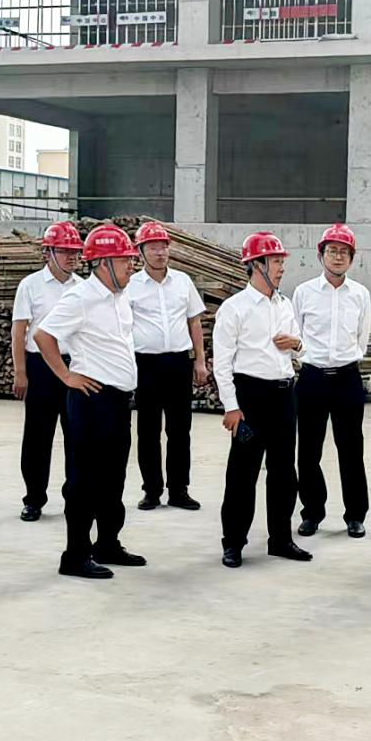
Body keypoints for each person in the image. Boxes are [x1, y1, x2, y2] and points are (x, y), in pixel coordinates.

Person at [34, 224, 146, 580]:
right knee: (84, 481)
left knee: (113, 478)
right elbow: (43, 335)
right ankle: (75, 555)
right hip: (92, 400)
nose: (132, 266)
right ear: (103, 263)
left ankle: (107, 543)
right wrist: (66, 376)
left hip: (118, 402)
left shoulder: (119, 296)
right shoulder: (80, 298)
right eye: (125, 260)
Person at [213, 231, 311, 568]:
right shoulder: (234, 308)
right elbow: (222, 363)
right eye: (276, 261)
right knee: (243, 473)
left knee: (284, 472)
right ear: (256, 265)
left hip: (284, 394)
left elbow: (303, 348)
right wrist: (231, 406)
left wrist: (296, 344)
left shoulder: (284, 304)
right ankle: (233, 542)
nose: (282, 268)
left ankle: (280, 539)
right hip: (250, 397)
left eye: (282, 261)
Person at [292, 223, 371, 539]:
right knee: (308, 451)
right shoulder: (304, 293)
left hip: (347, 378)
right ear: (321, 255)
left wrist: (346, 359)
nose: (338, 257)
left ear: (351, 258)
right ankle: (312, 512)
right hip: (312, 378)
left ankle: (355, 515)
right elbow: (296, 335)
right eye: (332, 251)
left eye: (344, 252)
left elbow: (362, 338)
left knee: (351, 450)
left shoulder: (360, 294)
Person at [128, 220, 209, 512]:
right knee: (148, 430)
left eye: (163, 246)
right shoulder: (131, 286)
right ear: (140, 252)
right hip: (145, 364)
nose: (160, 252)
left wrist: (200, 360)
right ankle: (151, 490)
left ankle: (179, 490)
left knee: (180, 430)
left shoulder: (182, 281)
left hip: (178, 363)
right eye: (153, 247)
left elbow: (194, 322)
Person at [11, 222, 84, 522]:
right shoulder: (30, 285)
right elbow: (19, 330)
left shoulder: (82, 287)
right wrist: (20, 372)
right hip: (40, 367)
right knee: (37, 436)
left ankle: (75, 497)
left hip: (74, 365)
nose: (71, 257)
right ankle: (34, 498)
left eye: (75, 251)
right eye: (64, 251)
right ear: (47, 253)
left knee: (76, 435)